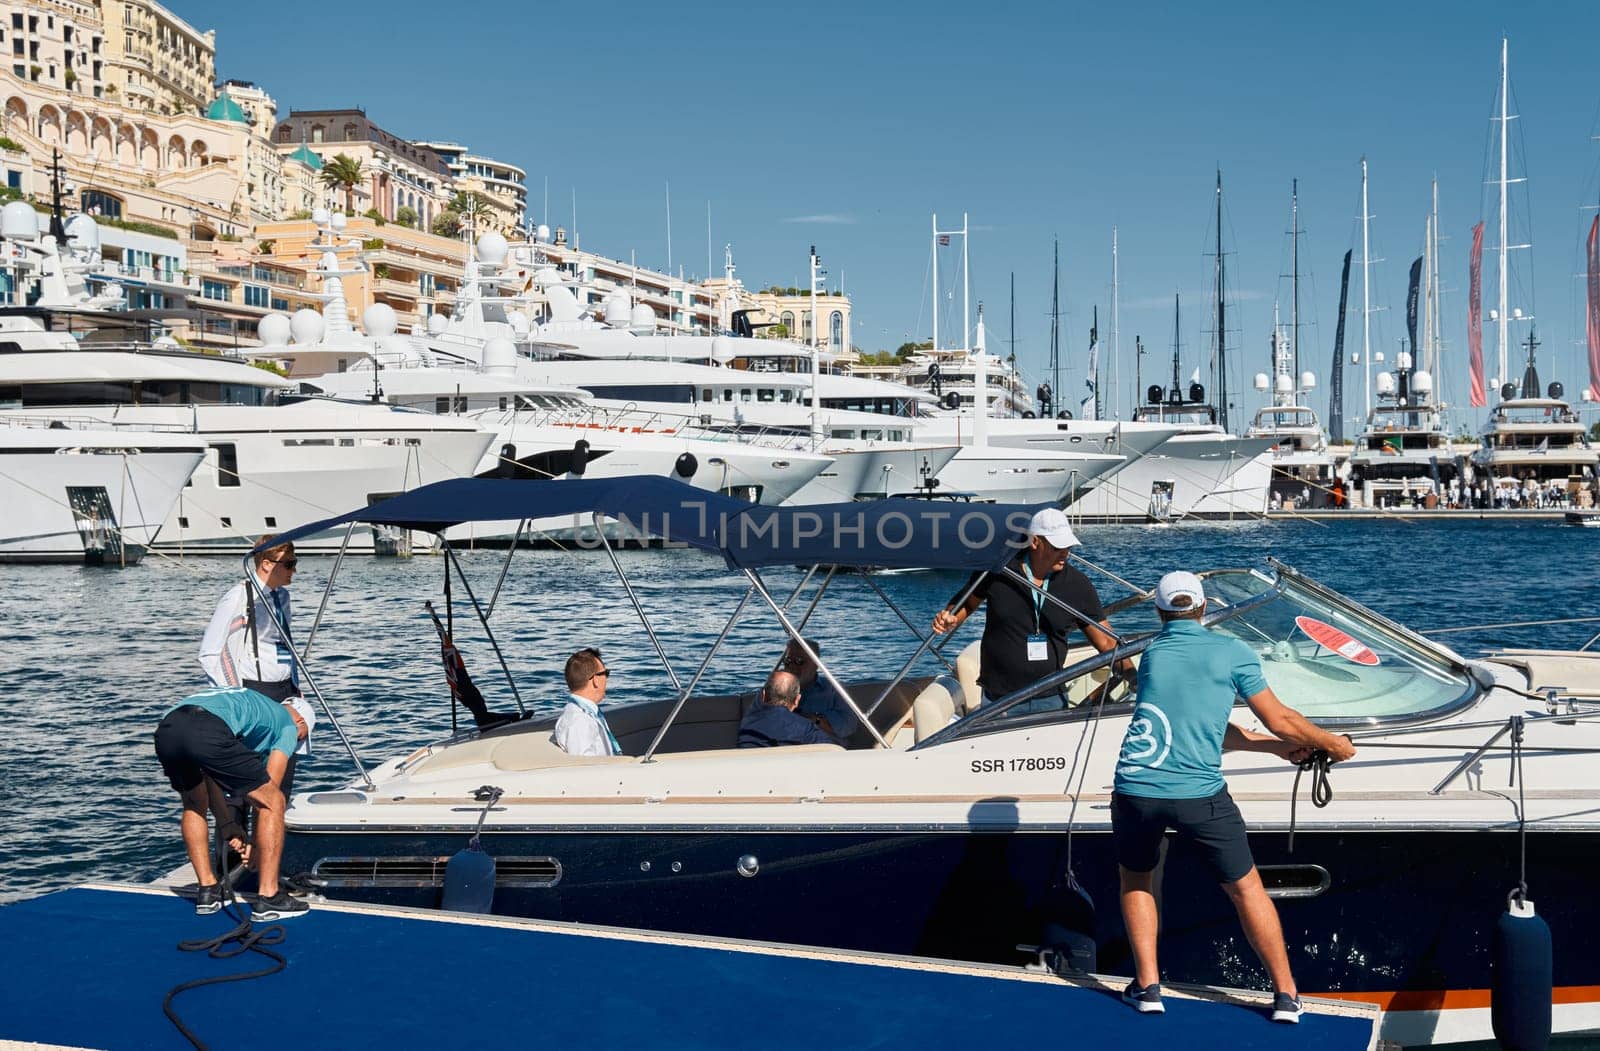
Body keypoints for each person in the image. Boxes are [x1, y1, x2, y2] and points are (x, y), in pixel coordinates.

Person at [1110, 571, 1357, 1022]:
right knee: (1246, 890)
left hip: (1136, 788)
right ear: (1204, 608)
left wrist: (1275, 749)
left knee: (1138, 879)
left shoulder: (1152, 656)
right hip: (1198, 794)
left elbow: (1208, 730)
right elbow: (1280, 716)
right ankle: (1285, 996)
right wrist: (1330, 743)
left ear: (1161, 613)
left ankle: (1148, 987)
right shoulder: (1231, 651)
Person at [931, 506, 1132, 709]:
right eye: (1057, 547)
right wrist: (951, 618)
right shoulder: (998, 572)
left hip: (1051, 697)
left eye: (1068, 547)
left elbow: (1106, 641)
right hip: (1000, 700)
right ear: (1036, 541)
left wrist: (1134, 677)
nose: (1065, 553)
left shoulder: (1078, 585)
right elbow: (965, 603)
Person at [153, 686, 315, 921]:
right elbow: (269, 798)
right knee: (274, 801)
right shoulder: (288, 725)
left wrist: (227, 823)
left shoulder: (253, 707)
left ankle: (208, 891)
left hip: (169, 728)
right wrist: (257, 848)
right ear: (300, 721)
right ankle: (269, 898)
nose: (295, 744)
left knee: (193, 804)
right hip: (207, 727)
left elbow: (210, 775)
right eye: (302, 737)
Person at [199, 536, 302, 704]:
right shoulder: (238, 598)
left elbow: (282, 642)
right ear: (266, 564)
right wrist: (234, 699)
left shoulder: (283, 596)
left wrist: (295, 686)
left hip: (286, 689)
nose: (294, 570)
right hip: (253, 692)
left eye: (295, 563)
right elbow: (209, 653)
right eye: (289, 565)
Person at [781, 638, 856, 743]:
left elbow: (848, 726)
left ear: (816, 664)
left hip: (824, 752)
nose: (792, 666)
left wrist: (812, 719)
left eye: (799, 661)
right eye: (788, 661)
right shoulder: (775, 690)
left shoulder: (834, 689)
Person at [738, 670, 837, 748]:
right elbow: (830, 751)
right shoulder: (805, 729)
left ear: (763, 696)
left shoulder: (747, 724)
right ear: (797, 700)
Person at [552, 647, 621, 757]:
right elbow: (585, 768)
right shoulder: (581, 720)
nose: (607, 679)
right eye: (605, 673)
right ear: (595, 680)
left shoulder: (585, 713)